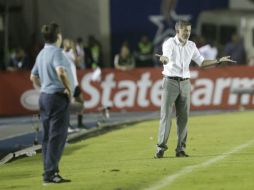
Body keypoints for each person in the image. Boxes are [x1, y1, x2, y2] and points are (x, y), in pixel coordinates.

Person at [154, 20, 235, 159]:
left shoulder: (191, 45)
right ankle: (160, 148)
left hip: (185, 83)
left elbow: (202, 63)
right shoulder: (169, 43)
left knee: (183, 118)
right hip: (170, 82)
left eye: (189, 31)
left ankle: (180, 149)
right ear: (177, 30)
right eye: (185, 31)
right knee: (166, 116)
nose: (188, 33)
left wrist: (218, 60)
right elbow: (166, 57)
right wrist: (164, 59)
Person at [30, 22, 74, 183]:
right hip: (56, 98)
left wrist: (43, 88)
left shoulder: (41, 53)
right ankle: (50, 173)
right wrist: (68, 89)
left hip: (45, 97)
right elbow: (60, 72)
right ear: (58, 36)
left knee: (47, 137)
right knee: (57, 136)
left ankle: (49, 171)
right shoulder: (57, 52)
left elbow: (33, 76)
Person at [62, 38, 87, 130]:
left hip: (75, 83)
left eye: (70, 42)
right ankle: (67, 125)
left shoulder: (72, 52)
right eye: (68, 42)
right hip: (68, 83)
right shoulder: (62, 54)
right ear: (64, 44)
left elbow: (78, 62)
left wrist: (77, 51)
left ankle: (80, 123)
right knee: (67, 104)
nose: (70, 44)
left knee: (81, 102)